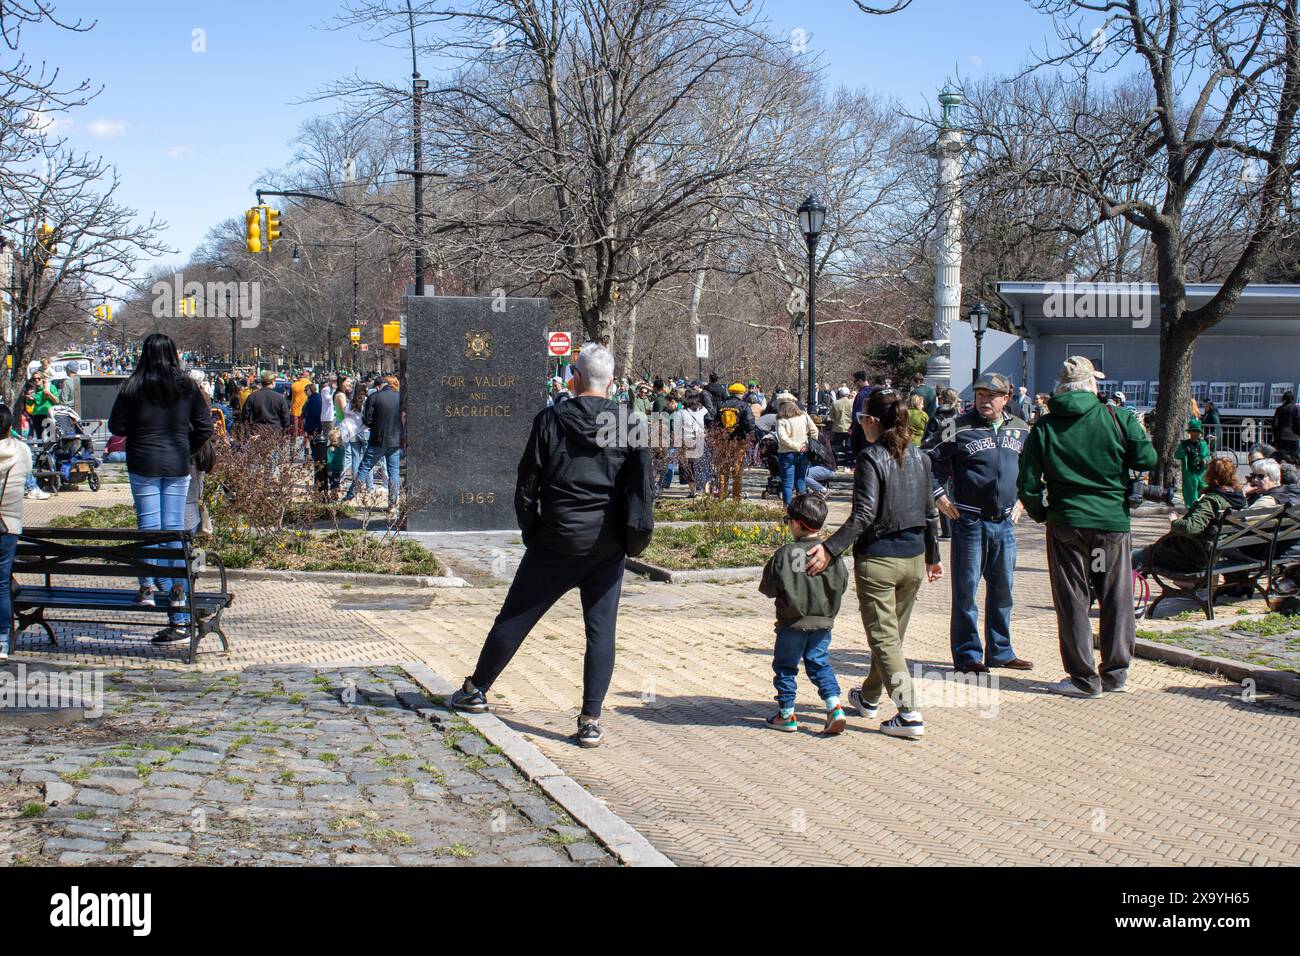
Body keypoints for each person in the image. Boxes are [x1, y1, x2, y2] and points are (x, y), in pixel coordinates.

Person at [449, 344, 652, 749]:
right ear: (611, 383)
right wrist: (633, 541)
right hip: (605, 543)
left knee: (516, 617)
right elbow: (642, 492)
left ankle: (477, 688)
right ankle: (591, 718)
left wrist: (533, 531)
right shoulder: (629, 424)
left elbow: (527, 483)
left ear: (575, 378)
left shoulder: (550, 419)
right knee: (601, 632)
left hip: (556, 538)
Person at [805, 388, 943, 739]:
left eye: (863, 418)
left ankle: (909, 711)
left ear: (872, 422)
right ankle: (868, 697)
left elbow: (864, 513)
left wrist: (830, 548)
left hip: (880, 559)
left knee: (884, 639)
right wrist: (933, 557)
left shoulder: (870, 457)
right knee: (890, 637)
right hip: (913, 559)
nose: (861, 424)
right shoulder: (921, 457)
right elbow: (930, 514)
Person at [1017, 355, 1156, 698]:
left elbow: (1028, 483)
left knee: (1072, 599)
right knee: (1115, 596)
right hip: (1110, 520)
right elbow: (1147, 459)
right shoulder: (1117, 417)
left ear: (1061, 388)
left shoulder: (1045, 427)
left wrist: (1041, 513)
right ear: (1092, 384)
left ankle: (1083, 677)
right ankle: (1115, 672)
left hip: (1067, 521)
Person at [108, 333, 214, 646]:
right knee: (173, 535)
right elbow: (205, 428)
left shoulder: (132, 386)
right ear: (173, 355)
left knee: (150, 532)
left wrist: (139, 431)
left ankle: (157, 590)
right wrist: (185, 446)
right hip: (177, 465)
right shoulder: (186, 387)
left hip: (143, 464)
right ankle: (178, 609)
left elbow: (116, 427)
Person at [929, 372, 1033, 673]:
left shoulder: (1020, 428)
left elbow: (1030, 467)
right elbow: (927, 460)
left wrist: (1024, 499)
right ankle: (967, 655)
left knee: (1003, 591)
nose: (985, 400)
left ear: (1006, 398)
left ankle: (1001, 651)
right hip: (970, 520)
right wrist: (939, 496)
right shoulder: (957, 426)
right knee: (966, 592)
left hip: (1005, 523)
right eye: (980, 395)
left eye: (992, 395)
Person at [759, 493, 849, 734]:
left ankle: (787, 714)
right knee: (820, 664)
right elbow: (843, 584)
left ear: (797, 524)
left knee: (786, 666)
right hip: (822, 623)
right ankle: (834, 706)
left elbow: (768, 588)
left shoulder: (785, 554)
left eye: (788, 520)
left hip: (792, 624)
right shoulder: (831, 556)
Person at [0, 404, 31, 661]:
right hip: (9, 525)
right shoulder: (21, 450)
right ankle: (2, 640)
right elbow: (29, 473)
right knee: (1, 583)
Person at [342, 374, 403, 507]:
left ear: (380, 385)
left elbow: (367, 420)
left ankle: (350, 496)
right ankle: (392, 505)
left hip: (377, 438)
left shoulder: (374, 397)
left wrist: (375, 424)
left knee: (364, 468)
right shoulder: (400, 398)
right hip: (395, 440)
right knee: (394, 472)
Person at [715, 383, 755, 500]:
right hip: (739, 442)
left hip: (724, 441)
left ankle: (722, 496)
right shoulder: (744, 406)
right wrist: (743, 435)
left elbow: (712, 421)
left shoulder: (721, 405)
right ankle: (736, 499)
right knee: (737, 471)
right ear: (741, 394)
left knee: (723, 470)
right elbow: (750, 424)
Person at [775, 395, 817, 505]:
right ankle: (801, 508)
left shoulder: (781, 419)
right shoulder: (804, 416)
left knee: (787, 482)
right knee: (801, 480)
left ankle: (787, 509)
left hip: (786, 453)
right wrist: (809, 445)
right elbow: (815, 431)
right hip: (804, 452)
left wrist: (795, 446)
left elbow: (782, 437)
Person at [1175, 419, 1210, 508]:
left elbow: (1207, 455)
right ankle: (1192, 510)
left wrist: (1205, 459)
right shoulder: (1184, 444)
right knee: (1191, 493)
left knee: (1204, 490)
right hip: (1189, 472)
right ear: (1190, 432)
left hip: (1201, 472)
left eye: (1197, 432)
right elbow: (1177, 455)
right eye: (1193, 431)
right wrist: (1185, 451)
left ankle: (1203, 509)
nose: (1195, 434)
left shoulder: (1203, 444)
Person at [1273, 391, 1299, 461]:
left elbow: (1275, 424)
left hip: (1281, 437)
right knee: (1295, 459)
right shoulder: (1296, 409)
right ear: (1293, 398)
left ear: (1283, 398)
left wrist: (1275, 435)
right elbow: (1298, 423)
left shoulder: (1279, 409)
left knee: (1281, 459)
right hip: (1294, 437)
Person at [829, 386, 854, 462]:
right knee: (849, 446)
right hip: (849, 427)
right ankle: (848, 462)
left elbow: (832, 417)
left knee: (837, 446)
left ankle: (838, 461)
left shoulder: (835, 403)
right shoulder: (852, 402)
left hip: (838, 427)